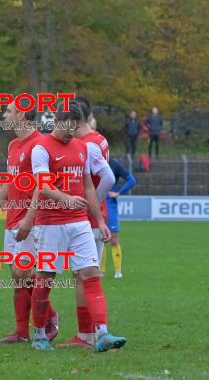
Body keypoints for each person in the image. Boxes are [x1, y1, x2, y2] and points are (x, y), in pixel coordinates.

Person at [16, 100, 126, 352]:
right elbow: (42, 186)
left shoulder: (81, 147)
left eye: (75, 127)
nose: (71, 132)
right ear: (55, 122)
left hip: (79, 224)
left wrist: (99, 220)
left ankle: (102, 334)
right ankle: (40, 335)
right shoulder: (41, 148)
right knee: (45, 278)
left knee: (90, 274)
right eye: (67, 127)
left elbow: (88, 186)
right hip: (50, 224)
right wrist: (67, 199)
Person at [0, 101, 59, 344]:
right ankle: (21, 332)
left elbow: (43, 186)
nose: (4, 115)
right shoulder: (13, 145)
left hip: (32, 221)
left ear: (21, 114)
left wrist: (29, 217)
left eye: (8, 111)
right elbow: (8, 183)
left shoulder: (40, 144)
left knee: (21, 271)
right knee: (17, 279)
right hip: (12, 221)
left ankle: (50, 316)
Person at [60, 96, 115, 349]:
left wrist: (91, 204)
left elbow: (108, 178)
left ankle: (88, 334)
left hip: (89, 220)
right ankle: (90, 333)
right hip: (93, 217)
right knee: (84, 275)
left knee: (84, 276)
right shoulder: (99, 138)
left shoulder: (87, 145)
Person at [102, 159, 136, 278]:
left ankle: (118, 271)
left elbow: (131, 180)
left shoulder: (114, 164)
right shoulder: (92, 162)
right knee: (99, 239)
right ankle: (101, 271)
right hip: (96, 205)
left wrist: (119, 192)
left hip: (110, 206)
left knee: (114, 239)